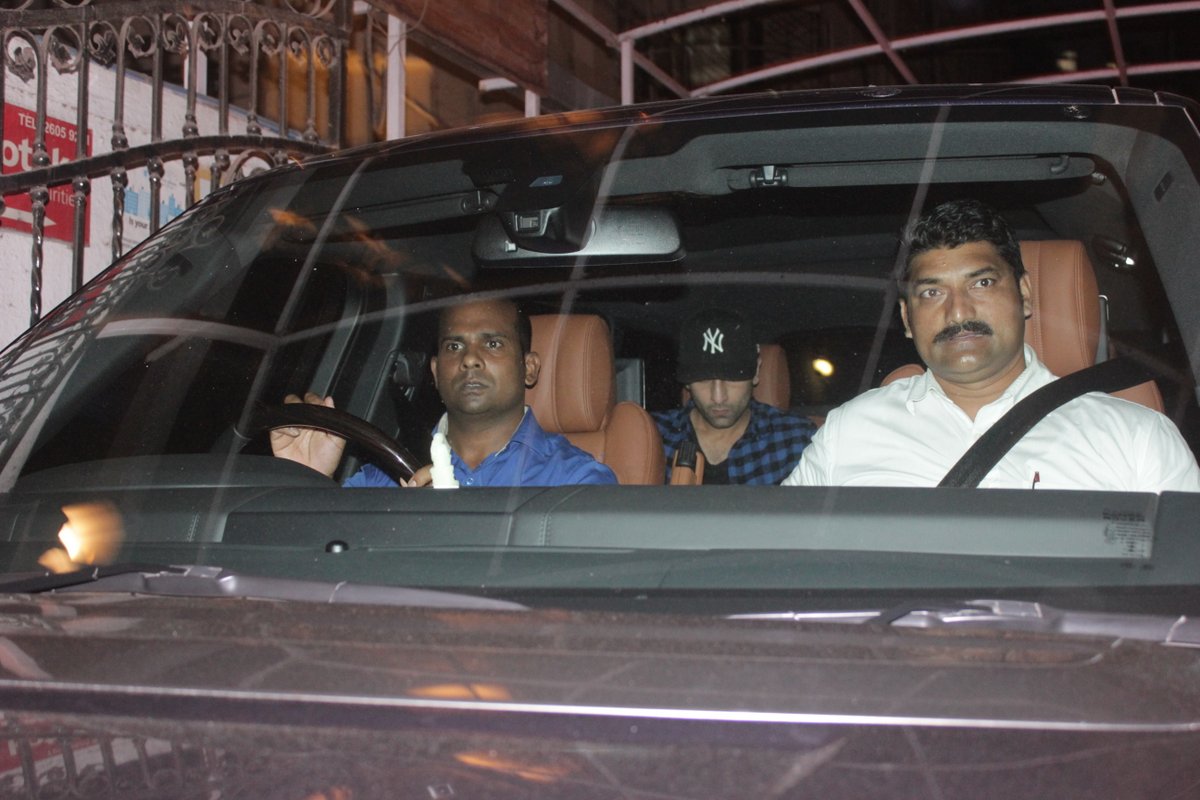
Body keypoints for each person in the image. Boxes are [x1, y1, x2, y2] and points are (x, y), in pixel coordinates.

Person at [783, 199, 1200, 492]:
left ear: (1025, 295)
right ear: (907, 319)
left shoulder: (1135, 438)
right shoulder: (850, 432)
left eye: (982, 283)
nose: (958, 311)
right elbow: (782, 562)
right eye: (932, 292)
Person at [272, 297, 617, 487]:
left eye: (492, 343)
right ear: (436, 373)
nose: (469, 359)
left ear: (529, 368)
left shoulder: (577, 481)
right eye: (454, 346)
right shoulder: (384, 478)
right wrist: (306, 480)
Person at [653, 308, 817, 484]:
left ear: (756, 371)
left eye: (732, 378)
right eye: (703, 380)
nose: (718, 397)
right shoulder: (652, 437)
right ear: (687, 381)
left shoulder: (795, 441)